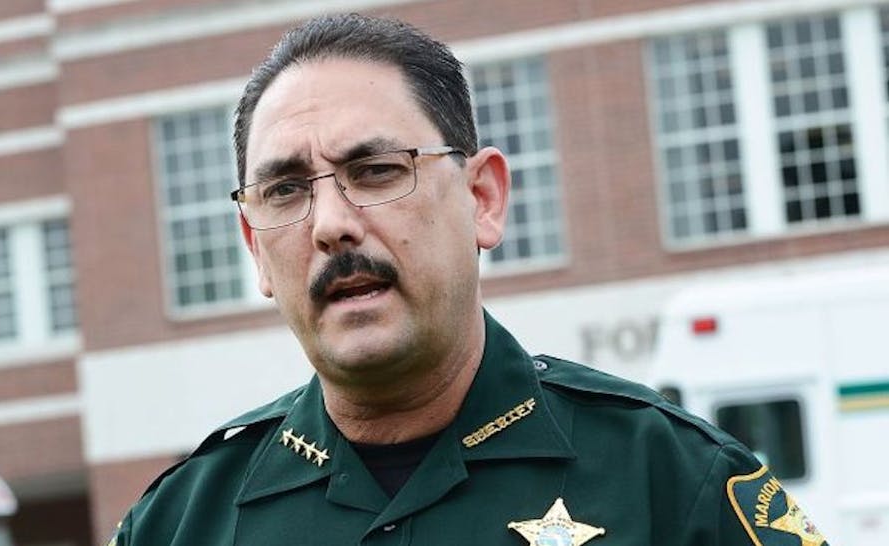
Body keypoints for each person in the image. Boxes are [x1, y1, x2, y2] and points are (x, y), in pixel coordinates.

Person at [108, 13, 828, 546]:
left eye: (376, 171)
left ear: (482, 198)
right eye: (286, 192)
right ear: (255, 249)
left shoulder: (674, 485)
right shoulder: (179, 524)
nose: (330, 223)